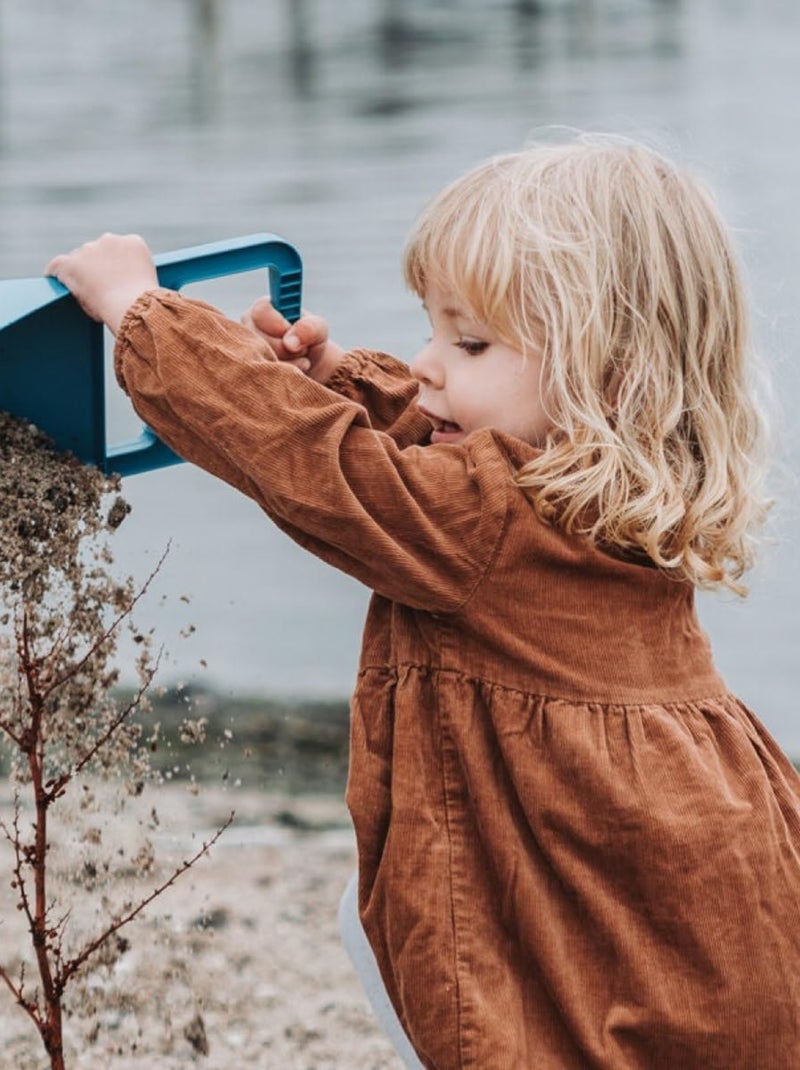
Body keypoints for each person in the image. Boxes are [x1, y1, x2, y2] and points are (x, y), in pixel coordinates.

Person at [46, 135, 800, 1070]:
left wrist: (143, 315)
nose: (427, 364)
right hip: (692, 864)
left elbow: (315, 465)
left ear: (608, 376)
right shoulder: (608, 493)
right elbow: (435, 453)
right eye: (435, 332)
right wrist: (333, 384)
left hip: (586, 872)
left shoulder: (486, 524)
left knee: (477, 983)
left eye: (470, 343)